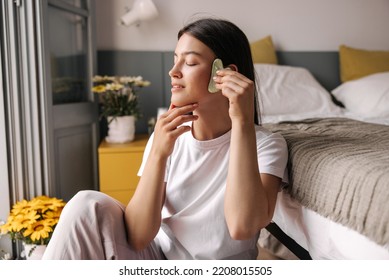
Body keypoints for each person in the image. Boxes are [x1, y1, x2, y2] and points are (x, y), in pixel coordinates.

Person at [43, 17, 288, 260]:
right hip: (157, 259)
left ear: (225, 75)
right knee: (86, 203)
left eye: (190, 62)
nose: (173, 72)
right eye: (175, 60)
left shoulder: (267, 145)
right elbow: (138, 236)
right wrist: (158, 153)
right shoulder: (168, 138)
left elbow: (242, 227)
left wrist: (242, 120)